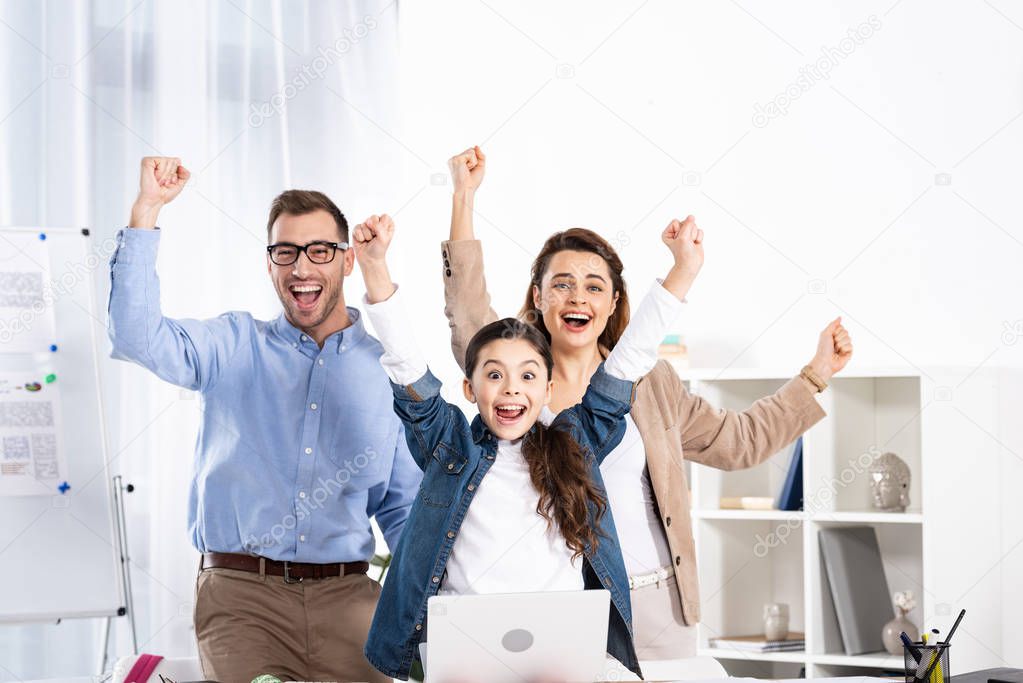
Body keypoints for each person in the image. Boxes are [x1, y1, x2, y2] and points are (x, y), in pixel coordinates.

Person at [441, 145, 854, 659]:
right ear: (538, 295)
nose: (577, 298)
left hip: (658, 605)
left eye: (594, 287)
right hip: (561, 607)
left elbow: (738, 443)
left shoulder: (650, 381)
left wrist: (815, 375)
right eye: (561, 284)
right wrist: (464, 197)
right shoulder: (512, 380)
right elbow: (467, 315)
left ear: (613, 303)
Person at [107, 157, 421, 682]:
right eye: (286, 252)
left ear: (346, 262)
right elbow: (138, 336)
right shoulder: (232, 345)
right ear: (270, 263)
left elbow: (404, 508)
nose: (301, 268)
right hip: (241, 601)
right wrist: (147, 211)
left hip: (349, 601)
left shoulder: (389, 367)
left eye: (319, 251)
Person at [352, 212, 702, 680]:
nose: (512, 389)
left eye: (528, 376)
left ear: (548, 387)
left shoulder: (575, 441)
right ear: (469, 388)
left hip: (558, 645)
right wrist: (375, 266)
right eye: (494, 375)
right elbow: (406, 367)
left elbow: (628, 362)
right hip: (466, 647)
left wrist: (682, 271)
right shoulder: (450, 444)